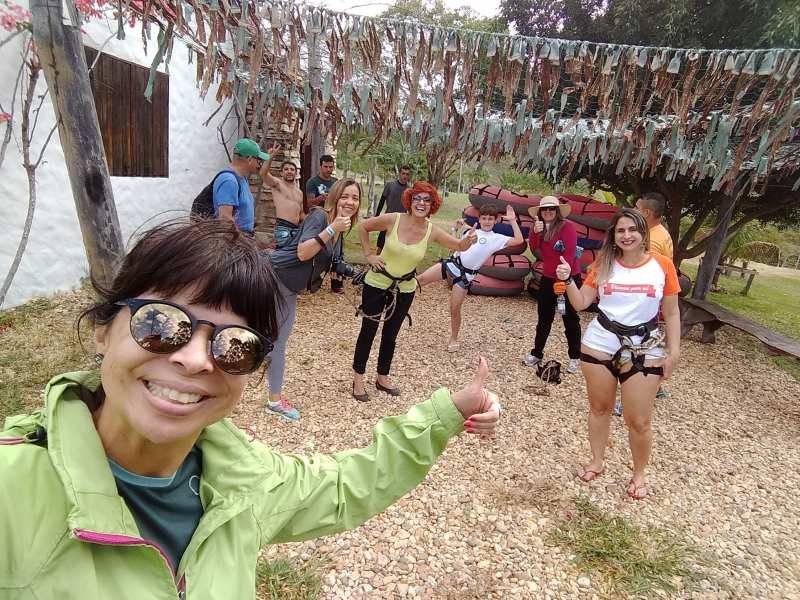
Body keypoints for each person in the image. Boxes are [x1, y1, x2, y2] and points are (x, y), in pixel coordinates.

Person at [0, 218, 501, 599]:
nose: (195, 359)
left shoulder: (240, 480)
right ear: (103, 328)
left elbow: (347, 486)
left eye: (234, 345)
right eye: (159, 324)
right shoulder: (12, 490)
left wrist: (447, 413)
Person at [555, 208, 681, 500]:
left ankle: (639, 474)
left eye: (632, 230)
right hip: (600, 343)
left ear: (643, 233)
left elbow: (672, 312)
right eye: (620, 231)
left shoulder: (662, 266)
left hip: (644, 347)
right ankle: (597, 461)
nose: (626, 236)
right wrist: (569, 278)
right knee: (599, 409)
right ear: (613, 235)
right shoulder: (603, 264)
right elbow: (581, 303)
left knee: (639, 420)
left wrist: (674, 351)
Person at [352, 181, 478, 401]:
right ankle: (358, 379)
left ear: (432, 205)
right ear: (409, 201)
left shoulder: (432, 231)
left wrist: (469, 240)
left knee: (391, 335)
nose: (421, 203)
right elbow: (363, 227)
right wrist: (368, 255)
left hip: (405, 288)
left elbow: (459, 246)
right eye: (417, 198)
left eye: (426, 200)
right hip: (377, 284)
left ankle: (382, 377)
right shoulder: (393, 219)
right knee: (368, 331)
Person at [264, 179, 362, 421]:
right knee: (274, 341)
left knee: (272, 339)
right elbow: (303, 252)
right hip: (274, 277)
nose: (350, 202)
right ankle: (273, 400)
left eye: (355, 198)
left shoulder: (341, 227)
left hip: (288, 287)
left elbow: (333, 260)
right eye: (345, 196)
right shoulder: (320, 217)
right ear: (335, 197)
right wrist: (332, 229)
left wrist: (360, 275)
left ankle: (263, 387)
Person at [417, 203, 524, 352]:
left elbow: (519, 240)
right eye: (484, 218)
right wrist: (458, 227)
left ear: (495, 221)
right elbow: (457, 243)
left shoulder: (496, 238)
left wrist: (512, 221)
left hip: (465, 276)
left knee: (454, 308)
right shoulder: (472, 231)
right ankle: (395, 295)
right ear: (479, 219)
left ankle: (454, 338)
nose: (487, 221)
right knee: (420, 280)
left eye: (490, 219)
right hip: (452, 263)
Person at [522, 196, 583, 374]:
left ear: (557, 211)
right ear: (540, 212)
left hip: (567, 278)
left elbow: (570, 253)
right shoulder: (540, 228)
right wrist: (534, 231)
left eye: (551, 209)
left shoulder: (567, 227)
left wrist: (562, 280)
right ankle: (537, 353)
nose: (548, 212)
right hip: (548, 278)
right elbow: (534, 248)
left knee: (570, 318)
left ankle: (574, 357)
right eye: (544, 209)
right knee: (544, 318)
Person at [213, 137, 270, 235]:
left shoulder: (242, 178)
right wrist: (242, 241)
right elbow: (225, 219)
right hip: (235, 243)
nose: (259, 164)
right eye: (258, 160)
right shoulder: (229, 181)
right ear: (249, 159)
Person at [305, 154, 341, 292]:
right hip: (319, 220)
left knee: (337, 252)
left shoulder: (336, 182)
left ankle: (336, 283)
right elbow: (309, 203)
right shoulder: (312, 182)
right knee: (320, 251)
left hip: (334, 219)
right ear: (320, 166)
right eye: (325, 166)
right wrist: (320, 198)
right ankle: (313, 282)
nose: (328, 169)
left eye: (331, 167)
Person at [261, 143, 304, 248]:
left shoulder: (299, 192)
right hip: (283, 228)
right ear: (281, 173)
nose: (289, 171)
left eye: (292, 169)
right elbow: (263, 174)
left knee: (293, 257)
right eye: (286, 169)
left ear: (296, 173)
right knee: (283, 256)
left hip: (296, 229)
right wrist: (269, 157)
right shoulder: (278, 184)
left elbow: (301, 214)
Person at [375, 165, 412, 252]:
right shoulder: (390, 185)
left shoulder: (410, 190)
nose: (405, 176)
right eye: (403, 173)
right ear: (399, 174)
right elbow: (382, 201)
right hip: (388, 219)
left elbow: (411, 207)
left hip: (401, 222)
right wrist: (377, 215)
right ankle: (376, 263)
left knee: (396, 246)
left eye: (407, 174)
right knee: (381, 244)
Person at [634, 192, 673, 259]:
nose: (633, 210)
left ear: (646, 213)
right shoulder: (659, 230)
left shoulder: (651, 243)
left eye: (637, 208)